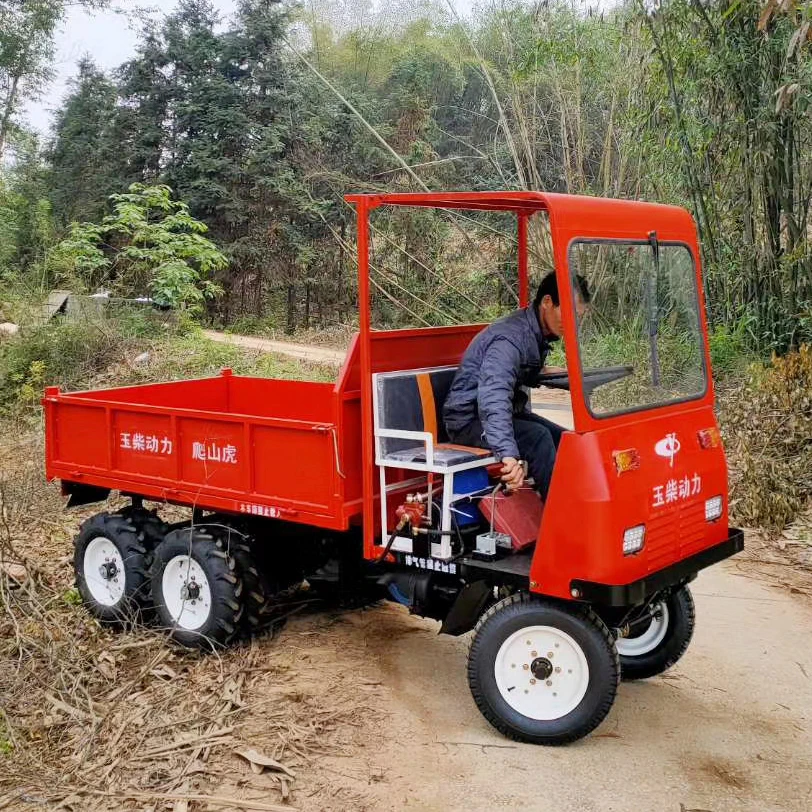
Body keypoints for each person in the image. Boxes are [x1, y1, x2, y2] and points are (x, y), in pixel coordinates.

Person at [443, 271, 591, 499]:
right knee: (539, 438)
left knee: (567, 440)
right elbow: (494, 396)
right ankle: (561, 522)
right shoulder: (509, 340)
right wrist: (508, 454)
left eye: (578, 317)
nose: (573, 324)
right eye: (569, 314)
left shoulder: (533, 333)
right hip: (468, 420)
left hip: (503, 413)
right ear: (547, 302)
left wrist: (568, 377)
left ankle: (575, 505)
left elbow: (524, 372)